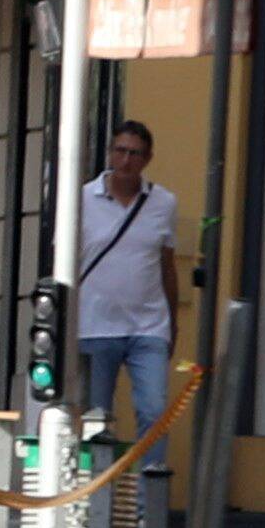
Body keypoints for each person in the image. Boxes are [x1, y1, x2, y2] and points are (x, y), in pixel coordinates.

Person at [65, 114, 183, 441]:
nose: (126, 160)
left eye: (135, 153)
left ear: (147, 159)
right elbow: (65, 261)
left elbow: (167, 266)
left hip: (148, 327)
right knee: (96, 420)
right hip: (95, 325)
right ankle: (99, 476)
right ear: (110, 153)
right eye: (120, 151)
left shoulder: (163, 203)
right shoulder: (82, 199)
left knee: (154, 410)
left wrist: (172, 323)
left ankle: (152, 474)